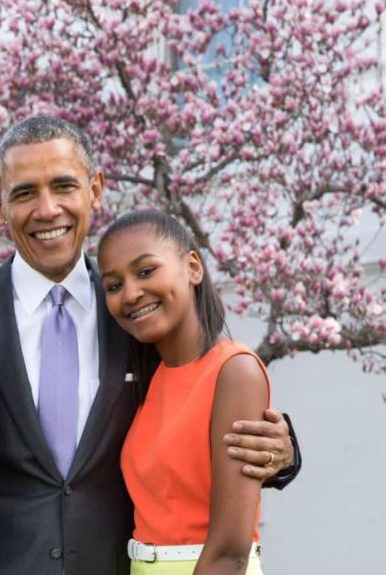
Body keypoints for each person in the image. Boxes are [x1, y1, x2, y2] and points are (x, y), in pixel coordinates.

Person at [0, 115, 301, 575]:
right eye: (25, 193)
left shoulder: (141, 314)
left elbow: (201, 395)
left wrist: (282, 454)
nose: (48, 210)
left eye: (64, 186)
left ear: (95, 190)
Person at [97, 209, 269, 574]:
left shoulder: (235, 371)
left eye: (146, 271)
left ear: (193, 267)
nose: (131, 293)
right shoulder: (150, 379)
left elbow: (230, 552)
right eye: (113, 286)